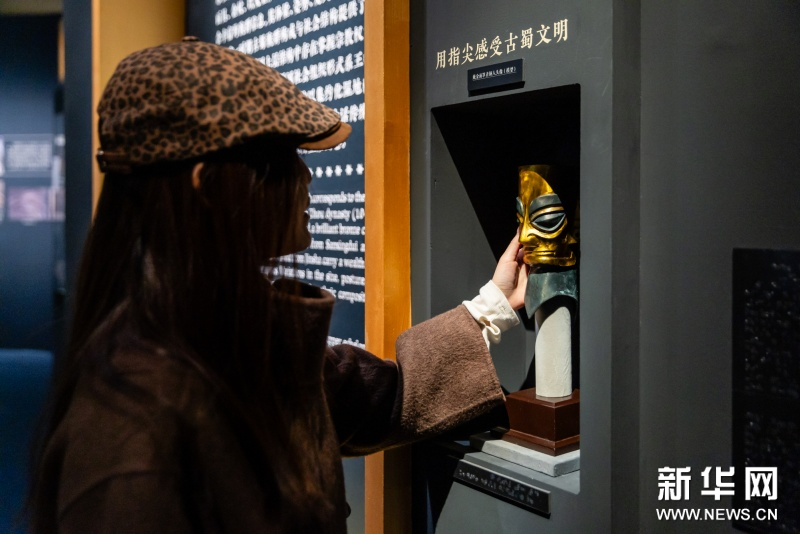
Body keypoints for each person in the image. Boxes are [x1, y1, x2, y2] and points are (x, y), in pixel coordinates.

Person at [26, 38, 527, 533]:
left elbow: (379, 399)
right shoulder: (131, 439)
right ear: (209, 186)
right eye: (283, 158)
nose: (305, 177)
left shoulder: (232, 342)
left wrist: (493, 304)